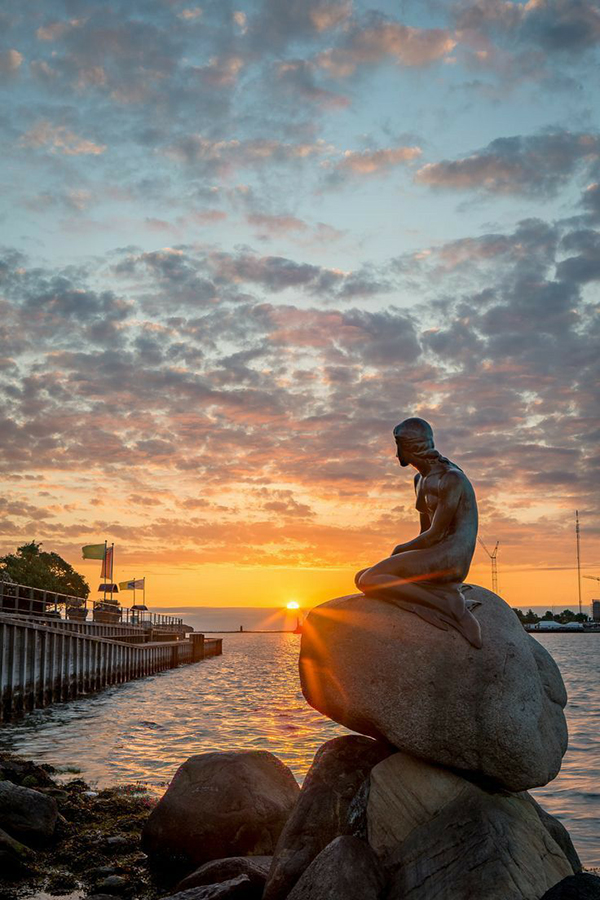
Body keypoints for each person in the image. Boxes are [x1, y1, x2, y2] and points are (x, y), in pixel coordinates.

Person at [355, 417, 482, 648]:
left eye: (398, 447)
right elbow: (424, 531)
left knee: (371, 579)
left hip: (452, 558)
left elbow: (435, 534)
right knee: (363, 577)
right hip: (435, 553)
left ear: (411, 447)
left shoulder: (451, 478)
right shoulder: (420, 479)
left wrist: (398, 551)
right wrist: (401, 558)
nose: (396, 454)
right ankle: (438, 595)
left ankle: (448, 605)